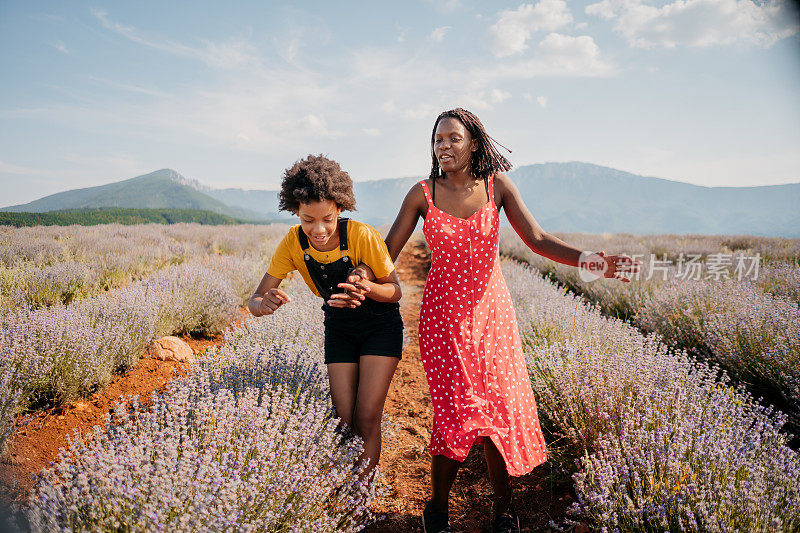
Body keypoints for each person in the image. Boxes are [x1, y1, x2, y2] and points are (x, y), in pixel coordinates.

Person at [370, 108, 640, 533]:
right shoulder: (423, 193)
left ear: (474, 142)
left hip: (493, 316)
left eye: (453, 138)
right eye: (438, 139)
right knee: (458, 412)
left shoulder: (497, 187)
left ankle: (503, 509)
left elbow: (537, 240)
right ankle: (437, 510)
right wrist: (358, 277)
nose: (444, 146)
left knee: (496, 410)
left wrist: (593, 262)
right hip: (444, 320)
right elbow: (387, 252)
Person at [248, 154, 404, 481]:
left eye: (328, 219)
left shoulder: (362, 235)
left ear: (340, 208)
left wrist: (367, 288)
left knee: (366, 417)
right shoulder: (292, 243)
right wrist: (263, 306)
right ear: (295, 212)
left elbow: (394, 290)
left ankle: (360, 494)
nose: (318, 230)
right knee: (345, 420)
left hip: (380, 327)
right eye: (308, 220)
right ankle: (347, 480)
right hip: (339, 329)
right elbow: (257, 297)